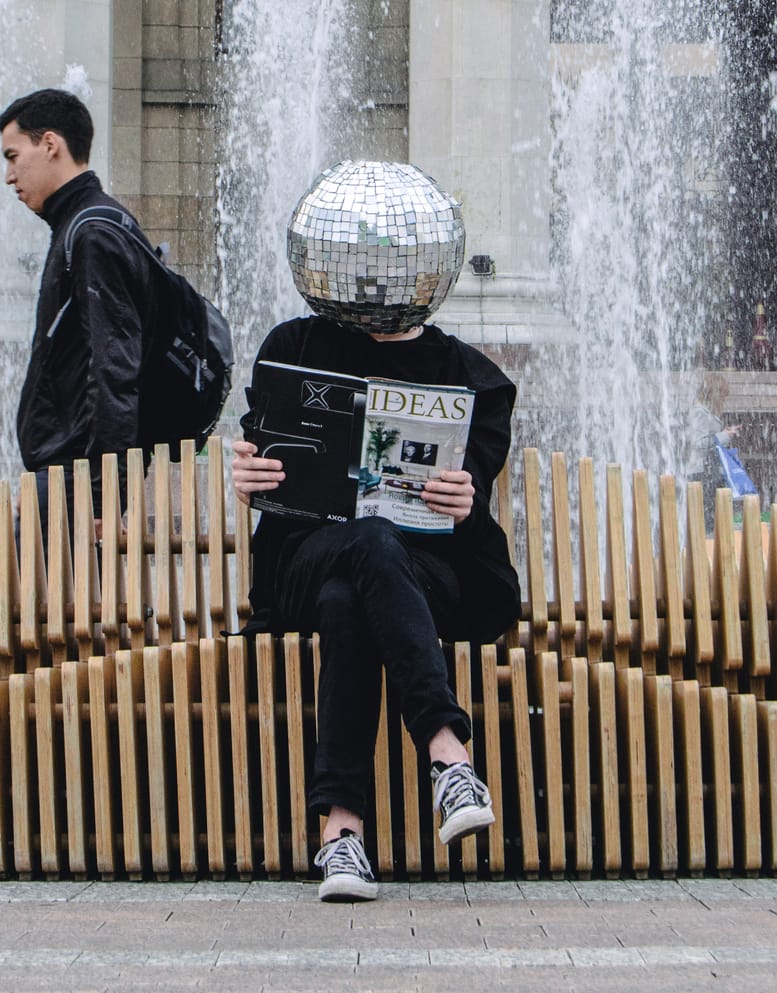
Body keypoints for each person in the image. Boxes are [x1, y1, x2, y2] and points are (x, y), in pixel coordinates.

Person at [232, 161, 522, 902]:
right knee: (366, 539)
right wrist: (248, 474)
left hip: (425, 578)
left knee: (351, 592)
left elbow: (473, 497)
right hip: (306, 553)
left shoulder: (475, 380)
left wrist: (466, 496)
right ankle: (448, 755)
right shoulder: (293, 348)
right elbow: (261, 452)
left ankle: (342, 836)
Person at [0, 88, 157, 540]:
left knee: (58, 610)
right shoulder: (87, 225)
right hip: (69, 483)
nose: (9, 175)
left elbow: (114, 368)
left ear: (50, 144)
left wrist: (107, 497)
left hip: (76, 490)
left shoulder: (92, 233)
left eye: (13, 155)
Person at [687, 372, 741, 531]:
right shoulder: (700, 412)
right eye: (723, 395)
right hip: (701, 472)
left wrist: (725, 432)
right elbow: (698, 443)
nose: (724, 400)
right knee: (708, 519)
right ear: (714, 393)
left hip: (708, 471)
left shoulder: (705, 411)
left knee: (713, 516)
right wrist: (724, 436)